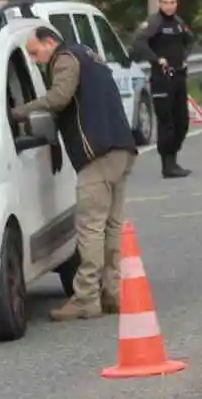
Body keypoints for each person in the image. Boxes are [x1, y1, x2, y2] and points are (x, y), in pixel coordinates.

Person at [11, 28, 138, 320]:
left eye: (35, 52)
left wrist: (20, 112)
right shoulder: (90, 54)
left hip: (98, 153)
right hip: (121, 148)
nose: (36, 60)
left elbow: (58, 98)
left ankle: (85, 298)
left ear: (50, 42)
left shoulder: (65, 58)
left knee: (91, 227)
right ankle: (113, 292)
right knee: (112, 225)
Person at [132, 0, 198, 179]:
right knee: (166, 122)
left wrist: (185, 57)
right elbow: (139, 43)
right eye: (166, 2)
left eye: (173, 2)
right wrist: (156, 59)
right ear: (160, 3)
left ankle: (173, 157)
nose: (170, 6)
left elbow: (190, 39)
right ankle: (167, 164)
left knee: (182, 122)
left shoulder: (178, 22)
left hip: (179, 76)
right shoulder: (154, 23)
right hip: (162, 79)